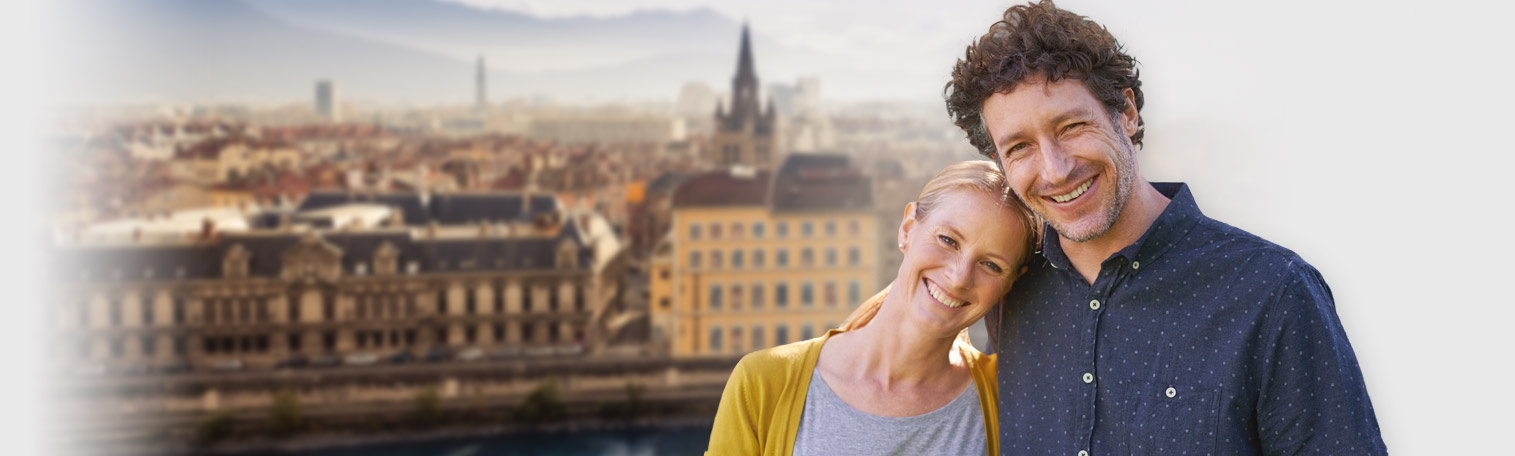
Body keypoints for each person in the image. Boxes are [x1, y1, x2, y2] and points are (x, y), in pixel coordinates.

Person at [942, 1, 1388, 455]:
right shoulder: (1009, 285)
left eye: (1072, 126)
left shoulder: (1272, 293)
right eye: (1020, 147)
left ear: (1127, 112)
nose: (1055, 171)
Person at [705, 160, 1040, 456]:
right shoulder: (763, 382)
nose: (958, 277)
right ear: (908, 227)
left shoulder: (1008, 395)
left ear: (1010, 283)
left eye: (991, 265)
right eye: (948, 240)